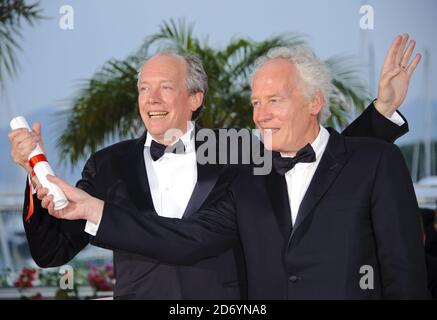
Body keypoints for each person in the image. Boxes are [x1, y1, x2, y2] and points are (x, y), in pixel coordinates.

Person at [9, 34, 416, 299]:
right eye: (144, 88)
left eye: (166, 87)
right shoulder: (108, 164)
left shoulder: (234, 150)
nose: (152, 99)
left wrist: (379, 114)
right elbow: (51, 251)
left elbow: (319, 157)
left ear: (195, 98)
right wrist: (35, 171)